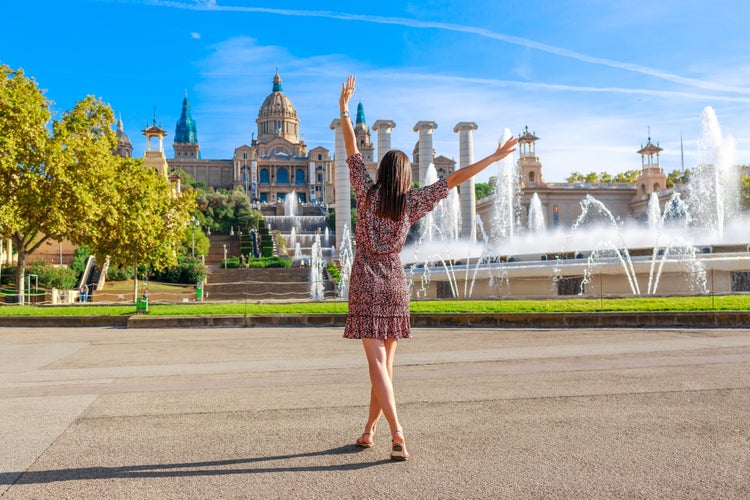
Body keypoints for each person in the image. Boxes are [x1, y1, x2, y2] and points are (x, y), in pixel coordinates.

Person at [339, 75, 518, 461]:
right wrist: (494, 159)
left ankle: (397, 432)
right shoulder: (413, 203)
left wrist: (342, 109)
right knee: (384, 365)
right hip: (395, 284)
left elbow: (351, 150)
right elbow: (453, 179)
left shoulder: (366, 194)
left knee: (375, 364)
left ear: (383, 172)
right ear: (405, 177)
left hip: (366, 282)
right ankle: (369, 430)